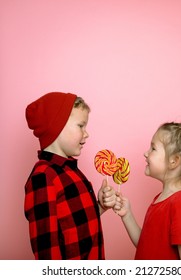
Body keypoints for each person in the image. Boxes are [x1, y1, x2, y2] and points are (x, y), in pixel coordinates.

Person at [24, 91, 117, 260]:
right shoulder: (44, 178)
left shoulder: (71, 171)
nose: (86, 133)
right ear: (57, 127)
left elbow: (75, 224)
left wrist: (100, 206)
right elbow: (46, 249)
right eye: (81, 126)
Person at [114, 122, 181, 260]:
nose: (145, 153)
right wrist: (127, 215)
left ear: (174, 161)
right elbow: (146, 247)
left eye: (153, 148)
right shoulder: (161, 199)